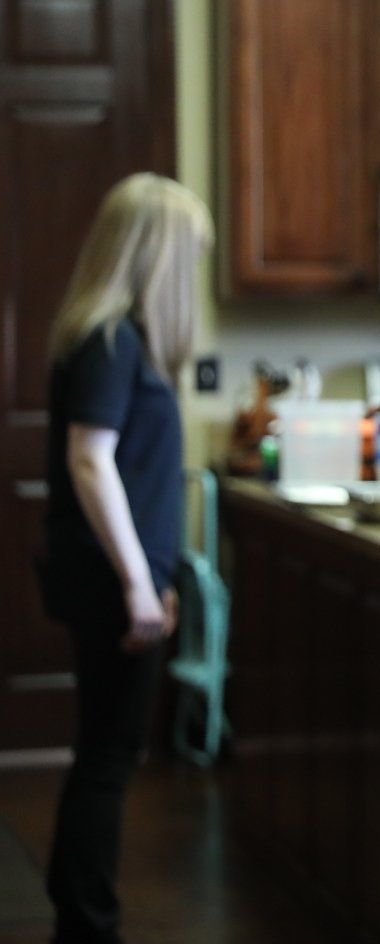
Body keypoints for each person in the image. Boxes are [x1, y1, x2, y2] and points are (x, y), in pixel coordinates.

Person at [37, 173, 211, 944]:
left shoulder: (115, 338)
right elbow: (90, 460)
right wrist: (141, 585)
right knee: (108, 756)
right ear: (158, 257)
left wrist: (154, 578)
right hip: (115, 585)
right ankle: (87, 922)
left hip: (120, 579)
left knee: (105, 750)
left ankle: (82, 910)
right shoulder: (113, 342)